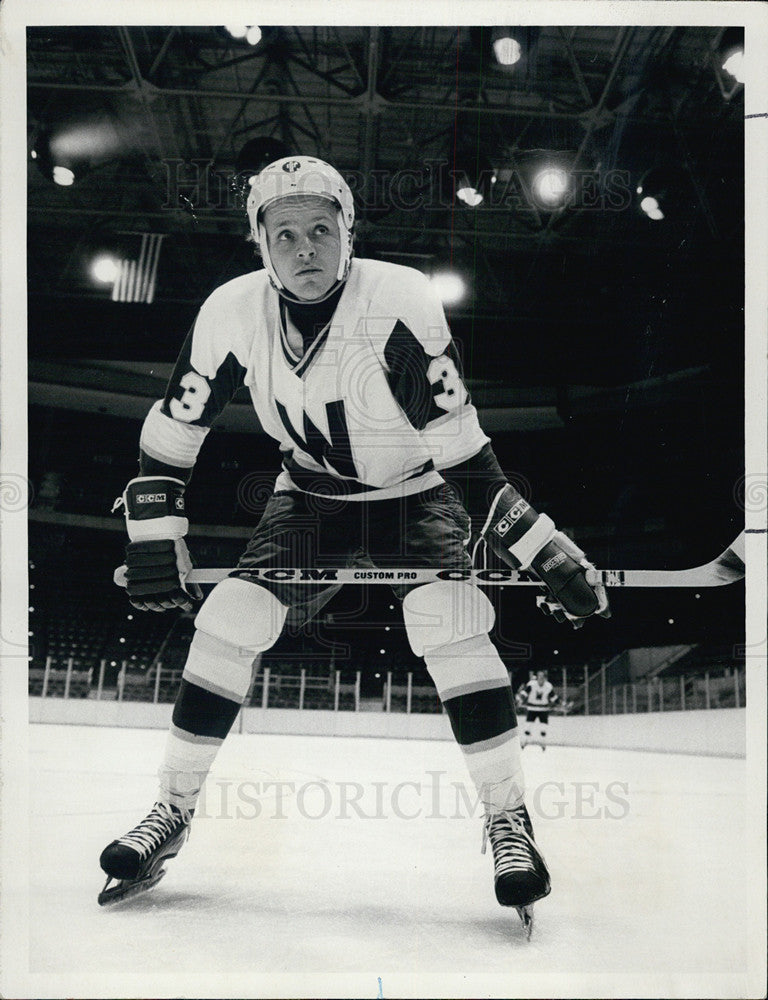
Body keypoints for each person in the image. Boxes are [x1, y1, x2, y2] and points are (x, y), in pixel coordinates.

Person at [99, 156, 609, 933]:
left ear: (348, 233)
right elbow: (172, 432)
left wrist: (536, 542)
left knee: (448, 617)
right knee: (230, 617)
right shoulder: (231, 311)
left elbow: (459, 446)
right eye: (286, 235)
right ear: (260, 243)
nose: (306, 249)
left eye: (321, 231)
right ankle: (170, 811)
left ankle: (509, 822)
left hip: (419, 488)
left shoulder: (397, 299)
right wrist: (154, 532)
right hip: (309, 495)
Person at [520, 670, 559, 750]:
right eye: (539, 676)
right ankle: (524, 742)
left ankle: (543, 743)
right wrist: (520, 699)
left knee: (543, 728)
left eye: (542, 676)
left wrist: (559, 703)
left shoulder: (548, 686)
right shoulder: (532, 684)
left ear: (545, 678)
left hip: (543, 710)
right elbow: (524, 693)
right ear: (537, 677)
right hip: (532, 709)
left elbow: (553, 697)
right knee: (527, 727)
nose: (541, 678)